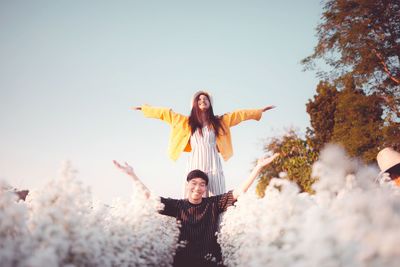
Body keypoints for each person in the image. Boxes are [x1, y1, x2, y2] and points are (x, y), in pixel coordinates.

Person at [113, 153, 279, 267]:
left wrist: (258, 168)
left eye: (202, 184)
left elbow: (239, 191)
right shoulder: (178, 206)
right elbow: (150, 198)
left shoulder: (213, 203)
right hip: (183, 262)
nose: (197, 187)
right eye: (194, 183)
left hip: (210, 262)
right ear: (187, 185)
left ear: (206, 188)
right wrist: (132, 176)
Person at [132, 90, 275, 196]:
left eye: (205, 99)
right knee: (192, 194)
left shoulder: (220, 121)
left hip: (213, 162)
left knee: (216, 195)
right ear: (194, 104)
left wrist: (258, 111)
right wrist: (145, 109)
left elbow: (239, 115)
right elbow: (165, 113)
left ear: (210, 103)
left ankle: (216, 230)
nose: (202, 100)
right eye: (199, 99)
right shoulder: (185, 122)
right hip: (195, 162)